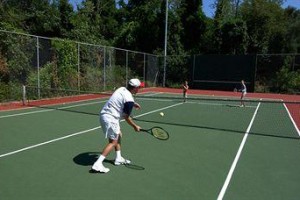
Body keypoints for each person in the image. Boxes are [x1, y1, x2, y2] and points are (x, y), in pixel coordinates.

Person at [91, 78, 142, 173]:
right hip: (111, 118)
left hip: (104, 115)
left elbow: (121, 99)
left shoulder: (121, 89)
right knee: (113, 142)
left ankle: (118, 158)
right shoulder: (129, 100)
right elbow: (126, 118)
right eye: (139, 87)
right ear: (135, 88)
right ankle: (98, 164)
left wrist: (133, 104)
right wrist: (135, 126)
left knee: (118, 136)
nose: (139, 89)